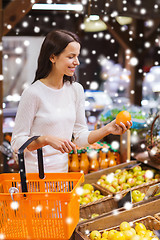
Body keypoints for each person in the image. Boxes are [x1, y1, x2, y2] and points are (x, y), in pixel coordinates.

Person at [11, 29, 132, 173]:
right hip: (35, 177)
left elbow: (80, 137)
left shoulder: (76, 90)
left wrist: (108, 129)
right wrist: (45, 139)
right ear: (53, 57)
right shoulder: (33, 93)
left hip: (63, 175)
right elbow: (16, 143)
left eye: (77, 56)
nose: (77, 62)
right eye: (71, 56)